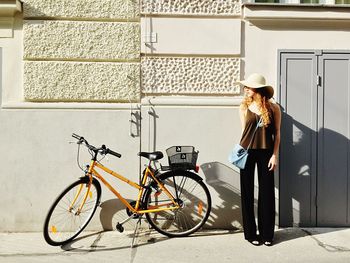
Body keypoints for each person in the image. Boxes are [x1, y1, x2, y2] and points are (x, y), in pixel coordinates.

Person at [237, 73, 281, 246]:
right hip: (247, 152)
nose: (245, 89)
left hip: (266, 153)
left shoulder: (273, 108)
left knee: (267, 193)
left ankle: (267, 235)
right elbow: (244, 132)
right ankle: (250, 234)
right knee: (247, 193)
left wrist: (274, 155)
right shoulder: (242, 107)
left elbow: (277, 134)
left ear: (257, 89)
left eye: (248, 87)